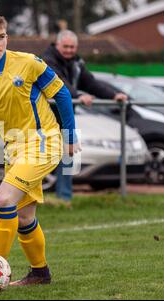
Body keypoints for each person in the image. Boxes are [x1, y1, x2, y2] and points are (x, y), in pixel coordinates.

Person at [0, 14, 79, 286]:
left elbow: (62, 94)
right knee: (23, 217)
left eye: (1, 37)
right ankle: (40, 273)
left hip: (44, 141)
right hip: (15, 150)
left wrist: (70, 136)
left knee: (3, 199)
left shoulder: (29, 63)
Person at [42, 30, 128, 203]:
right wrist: (77, 95)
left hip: (66, 117)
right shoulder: (47, 61)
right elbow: (59, 84)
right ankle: (32, 198)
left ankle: (64, 199)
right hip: (46, 118)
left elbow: (91, 83)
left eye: (72, 47)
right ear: (57, 45)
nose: (69, 50)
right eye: (65, 46)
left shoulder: (76, 63)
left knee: (68, 154)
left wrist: (113, 95)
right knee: (41, 157)